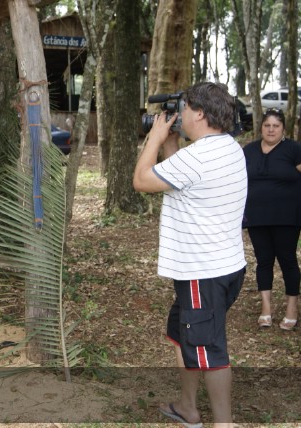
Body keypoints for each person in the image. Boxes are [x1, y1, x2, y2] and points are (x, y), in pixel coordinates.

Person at [133, 82, 247, 427]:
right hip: (222, 268)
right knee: (184, 335)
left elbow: (142, 180)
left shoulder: (200, 156)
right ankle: (187, 407)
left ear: (199, 113)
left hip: (203, 273)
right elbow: (181, 177)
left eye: (183, 109)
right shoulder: (227, 147)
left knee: (208, 349)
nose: (179, 115)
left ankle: (223, 423)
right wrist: (171, 142)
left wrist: (154, 136)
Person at [243, 108, 300, 331]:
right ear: (261, 127)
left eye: (276, 126)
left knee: (287, 261)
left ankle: (291, 309)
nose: (271, 129)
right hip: (257, 217)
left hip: (287, 216)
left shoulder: (293, 150)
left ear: (283, 129)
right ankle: (266, 310)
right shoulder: (249, 150)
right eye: (267, 125)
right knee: (263, 261)